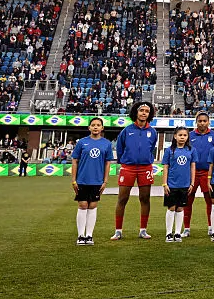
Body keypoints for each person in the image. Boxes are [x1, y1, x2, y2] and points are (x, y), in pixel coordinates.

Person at [112, 101, 159, 241]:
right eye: (141, 110)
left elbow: (151, 148)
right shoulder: (126, 130)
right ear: (136, 112)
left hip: (145, 168)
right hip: (128, 167)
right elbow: (119, 149)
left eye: (147, 111)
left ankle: (143, 230)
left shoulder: (153, 131)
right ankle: (118, 231)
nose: (144, 113)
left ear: (149, 114)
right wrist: (125, 160)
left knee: (145, 199)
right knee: (122, 199)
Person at [71, 117, 112, 246]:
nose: (95, 127)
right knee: (82, 205)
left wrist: (105, 181)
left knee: (93, 206)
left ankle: (89, 235)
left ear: (102, 128)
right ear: (89, 127)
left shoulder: (106, 144)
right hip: (82, 180)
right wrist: (73, 180)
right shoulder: (82, 143)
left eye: (98, 125)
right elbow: (74, 161)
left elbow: (107, 163)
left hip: (97, 181)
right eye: (93, 125)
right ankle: (80, 235)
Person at [183, 111, 214, 238]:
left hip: (207, 173)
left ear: (209, 122)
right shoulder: (189, 135)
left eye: (204, 121)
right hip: (191, 173)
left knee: (210, 200)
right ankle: (186, 228)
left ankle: (211, 227)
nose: (202, 123)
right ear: (196, 122)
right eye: (200, 121)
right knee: (187, 200)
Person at [162, 126, 195, 243]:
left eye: (185, 135)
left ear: (187, 137)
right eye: (180, 135)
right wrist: (165, 183)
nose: (182, 137)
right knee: (171, 208)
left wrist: (192, 183)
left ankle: (177, 233)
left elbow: (192, 167)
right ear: (175, 136)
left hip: (185, 185)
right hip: (171, 184)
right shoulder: (169, 150)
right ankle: (168, 233)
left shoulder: (191, 150)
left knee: (180, 208)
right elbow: (165, 167)